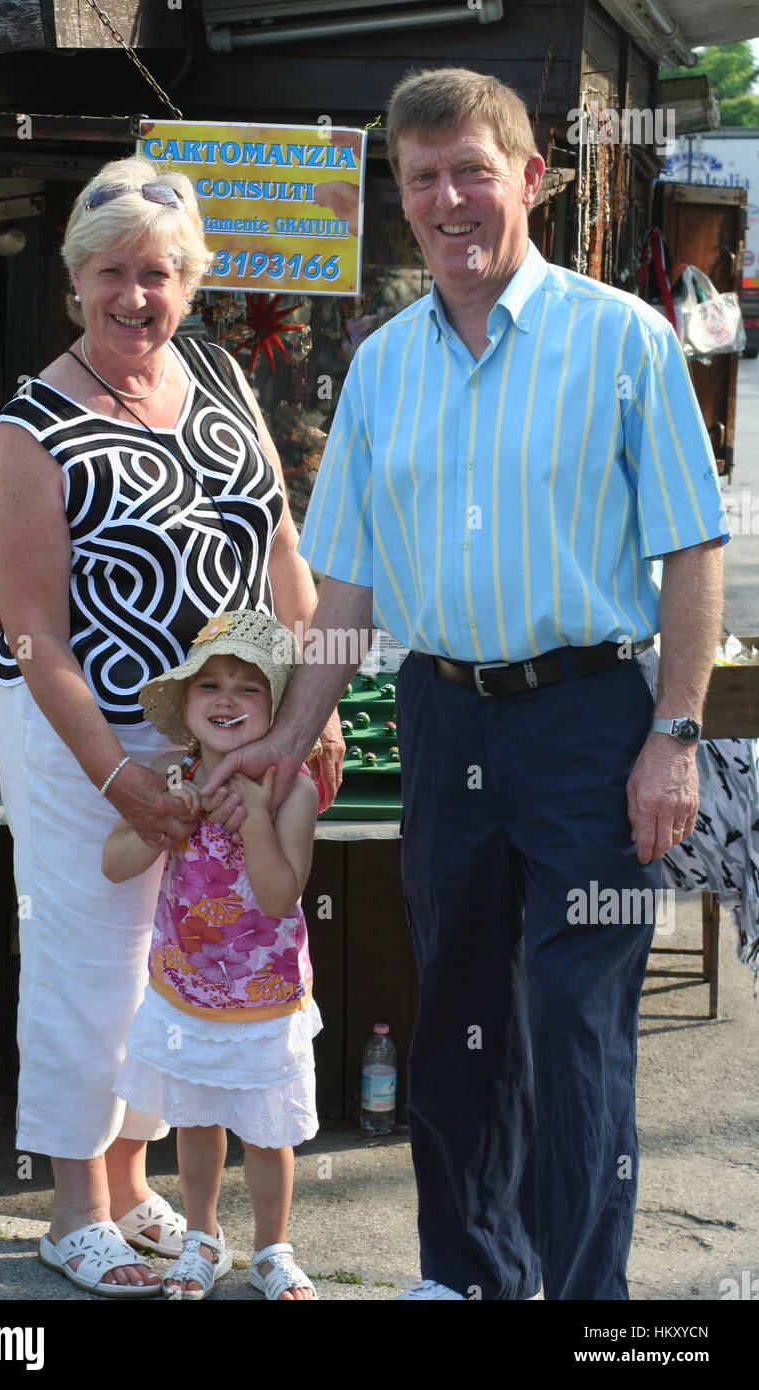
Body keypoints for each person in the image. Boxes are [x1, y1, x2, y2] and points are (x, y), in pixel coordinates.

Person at [201, 68, 729, 1301]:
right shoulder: (383, 367)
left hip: (587, 722)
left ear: (529, 179)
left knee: (572, 1030)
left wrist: (675, 735)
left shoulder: (623, 340)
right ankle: (469, 1275)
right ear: (400, 195)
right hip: (443, 718)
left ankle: (582, 1298)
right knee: (456, 1020)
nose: (447, 199)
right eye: (422, 178)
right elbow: (348, 591)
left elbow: (692, 549)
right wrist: (285, 740)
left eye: (470, 171)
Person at [0, 155, 342, 1297]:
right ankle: (74, 1203)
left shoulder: (221, 374)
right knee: (90, 952)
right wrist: (111, 775)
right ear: (74, 282)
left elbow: (279, 538)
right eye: (112, 275)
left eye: (158, 274)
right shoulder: (29, 425)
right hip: (80, 721)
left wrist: (306, 707)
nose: (136, 297)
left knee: (175, 957)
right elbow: (33, 628)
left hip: (220, 724)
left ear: (189, 283)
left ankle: (135, 1180)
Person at [102, 609, 320, 1301]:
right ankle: (202, 1239)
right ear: (187, 704)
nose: (226, 699)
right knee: (194, 1122)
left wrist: (253, 818)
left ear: (277, 708)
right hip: (185, 992)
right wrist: (170, 821)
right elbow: (114, 863)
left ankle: (271, 1249)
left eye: (248, 688)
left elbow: (281, 895)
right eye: (210, 685)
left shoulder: (292, 789)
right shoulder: (168, 775)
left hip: (263, 999)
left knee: (265, 1132)